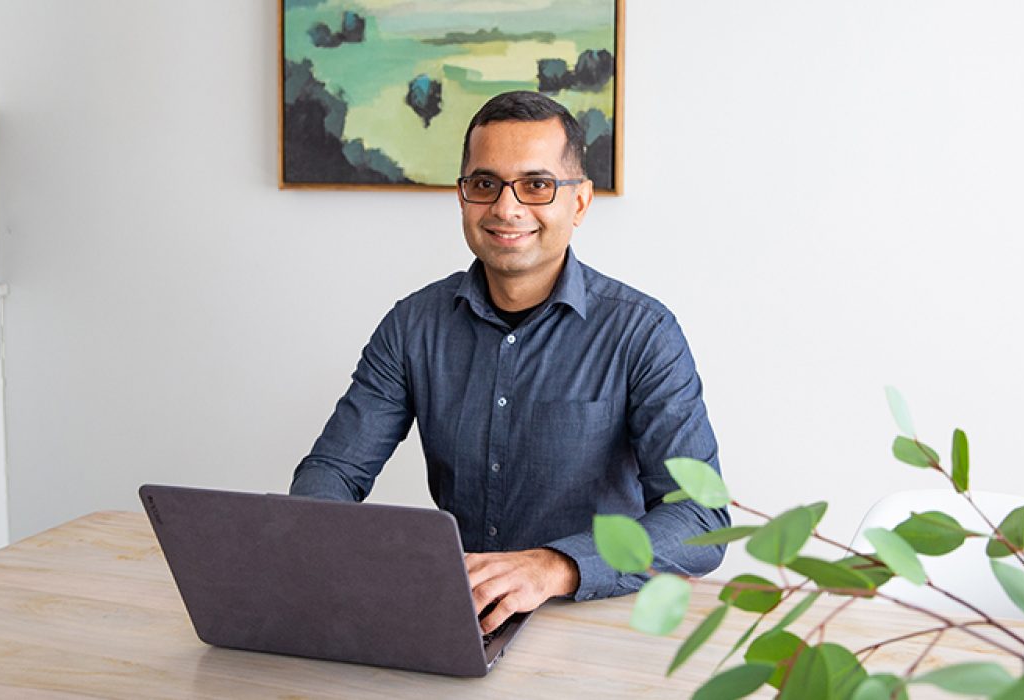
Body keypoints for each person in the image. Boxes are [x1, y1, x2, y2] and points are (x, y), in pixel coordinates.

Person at [290, 90, 729, 634]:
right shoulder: (412, 325)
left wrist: (556, 566)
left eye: (537, 185)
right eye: (484, 184)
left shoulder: (644, 332)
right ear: (462, 198)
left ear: (581, 202)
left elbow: (700, 518)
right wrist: (328, 543)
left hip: (597, 621)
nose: (506, 207)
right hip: (462, 616)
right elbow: (333, 471)